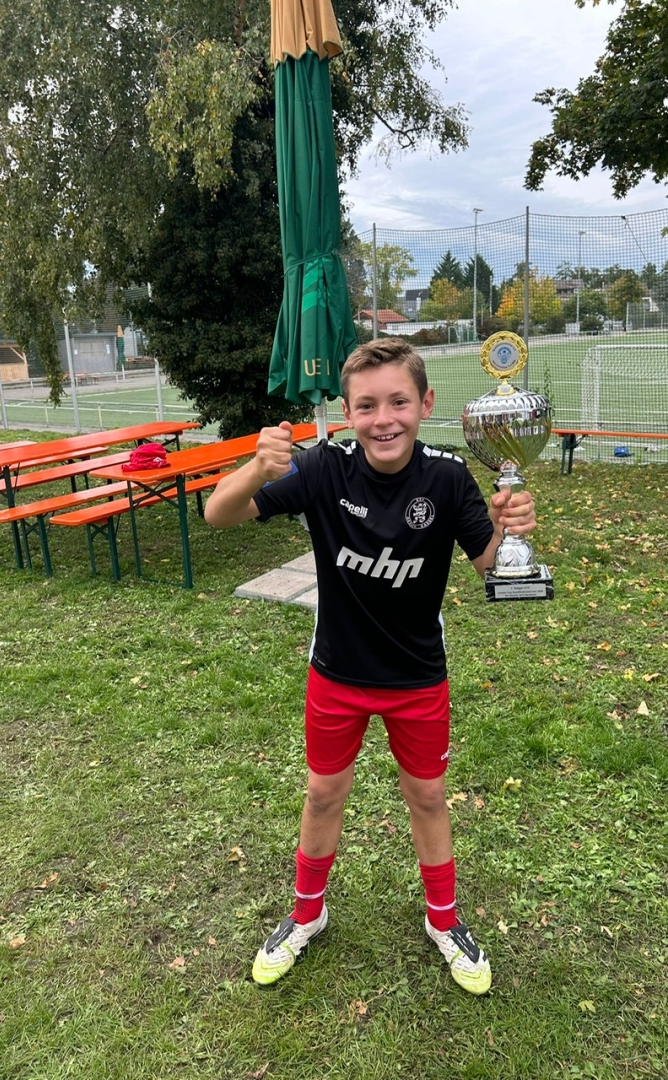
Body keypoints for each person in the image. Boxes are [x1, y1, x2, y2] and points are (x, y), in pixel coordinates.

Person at [205, 338, 536, 995]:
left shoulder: (447, 478)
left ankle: (444, 920)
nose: (384, 419)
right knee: (323, 793)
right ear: (348, 412)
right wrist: (255, 469)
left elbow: (492, 570)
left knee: (428, 797)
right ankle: (307, 913)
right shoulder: (325, 468)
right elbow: (219, 513)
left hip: (418, 678)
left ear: (425, 404)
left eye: (398, 402)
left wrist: (512, 529)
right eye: (367, 406)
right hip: (337, 675)